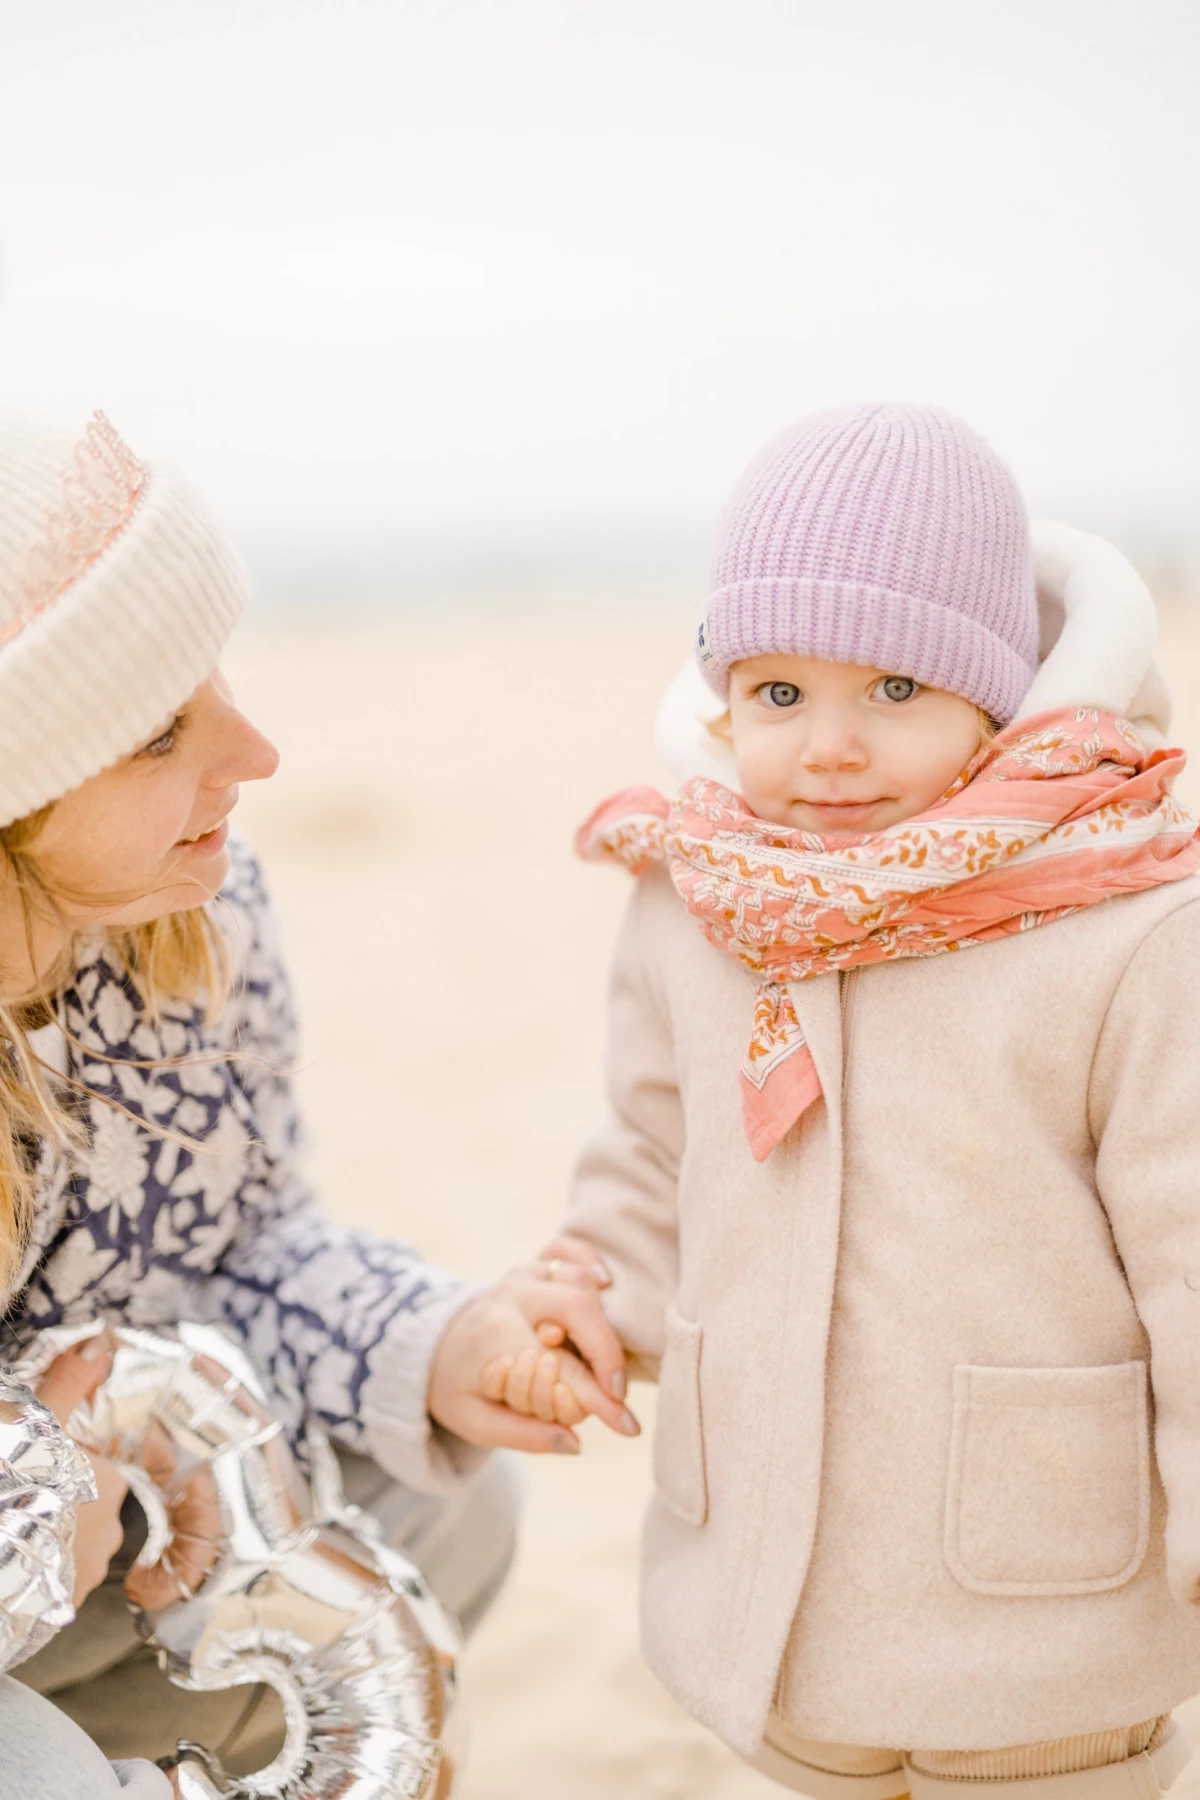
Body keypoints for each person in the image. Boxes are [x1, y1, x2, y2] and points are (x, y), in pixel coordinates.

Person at [506, 403, 1200, 1798]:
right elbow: (652, 1150)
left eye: (895, 691)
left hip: (1035, 1603)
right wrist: (588, 1291)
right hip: (773, 1590)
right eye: (778, 693)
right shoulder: (694, 903)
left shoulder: (1120, 918)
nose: (828, 746)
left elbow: (1189, 1231)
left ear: (1001, 698)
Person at [0, 410, 633, 1799]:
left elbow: (253, 1247)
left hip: (98, 1557)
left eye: (216, 678)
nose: (256, 753)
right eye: (160, 732)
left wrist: (446, 1340)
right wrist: (35, 1481)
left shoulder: (203, 920)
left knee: (436, 1504)